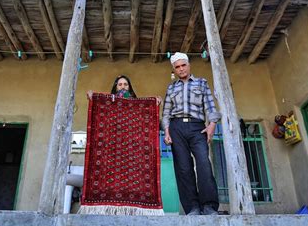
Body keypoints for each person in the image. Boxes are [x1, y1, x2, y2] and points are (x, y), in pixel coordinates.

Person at [162, 52, 221, 215]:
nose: (181, 69)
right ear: (174, 69)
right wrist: (166, 131)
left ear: (189, 65)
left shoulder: (201, 83)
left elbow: (210, 106)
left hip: (197, 127)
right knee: (183, 168)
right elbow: (166, 112)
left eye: (183, 65)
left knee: (203, 163)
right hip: (176, 128)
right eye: (177, 67)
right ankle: (192, 207)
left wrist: (212, 124)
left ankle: (208, 206)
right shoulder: (171, 87)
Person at [87, 75, 161, 104]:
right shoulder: (108, 101)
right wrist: (92, 95)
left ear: (129, 87)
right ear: (116, 88)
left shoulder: (137, 103)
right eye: (120, 84)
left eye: (125, 84)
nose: (123, 87)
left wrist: (155, 101)